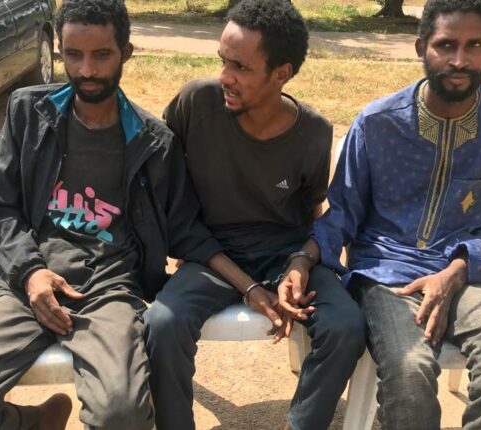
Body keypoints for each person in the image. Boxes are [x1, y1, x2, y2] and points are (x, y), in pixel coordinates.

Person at [0, 1, 239, 428]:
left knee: (121, 413)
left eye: (101, 55)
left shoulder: (154, 143)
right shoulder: (28, 113)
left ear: (126, 52)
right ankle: (37, 422)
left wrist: (252, 283)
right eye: (73, 55)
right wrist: (30, 272)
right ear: (59, 51)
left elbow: (185, 230)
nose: (86, 70)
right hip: (27, 284)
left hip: (109, 290)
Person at [279, 0, 481, 428]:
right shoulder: (377, 123)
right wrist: (303, 259)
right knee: (409, 371)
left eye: (474, 45)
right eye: (446, 44)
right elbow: (343, 212)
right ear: (421, 47)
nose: (459, 60)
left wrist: (455, 272)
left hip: (469, 275)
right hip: (387, 275)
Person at [143, 1, 366, 429]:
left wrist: (300, 264)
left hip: (283, 252)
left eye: (241, 67)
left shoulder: (313, 133)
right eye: (223, 61)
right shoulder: (195, 103)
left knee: (345, 325)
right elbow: (169, 197)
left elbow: (312, 214)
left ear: (281, 74)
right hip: (210, 253)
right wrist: (248, 287)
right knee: (162, 324)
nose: (224, 76)